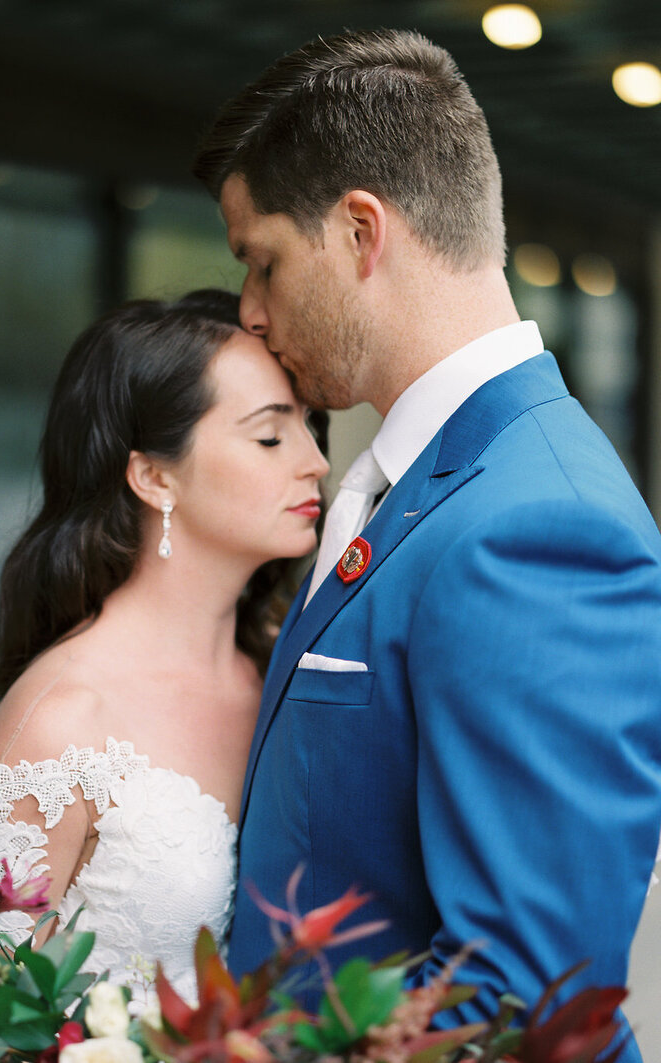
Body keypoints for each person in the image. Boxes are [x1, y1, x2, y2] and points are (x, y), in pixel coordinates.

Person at [193, 28, 661, 1059]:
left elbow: (525, 998)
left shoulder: (541, 526)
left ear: (360, 230)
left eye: (261, 261)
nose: (249, 311)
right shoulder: (413, 481)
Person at [0, 289, 329, 1011]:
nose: (316, 463)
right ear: (153, 476)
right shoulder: (59, 723)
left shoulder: (287, 667)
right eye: (272, 436)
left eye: (310, 427)